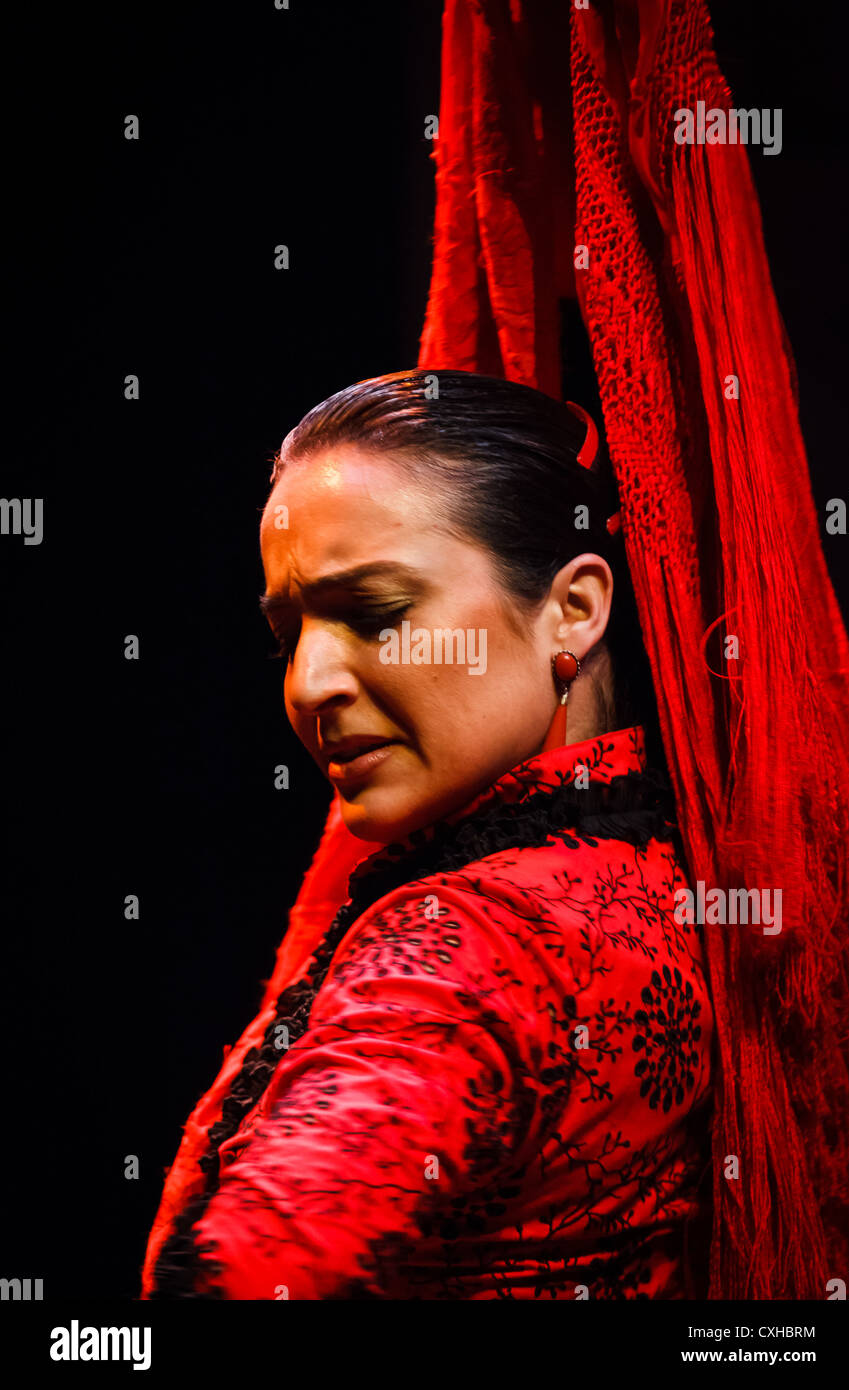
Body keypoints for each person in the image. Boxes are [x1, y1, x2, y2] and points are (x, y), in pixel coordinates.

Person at [145, 367, 715, 1299]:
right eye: (288, 633)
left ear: (573, 608)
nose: (309, 685)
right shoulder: (654, 873)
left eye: (375, 614)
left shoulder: (466, 944)